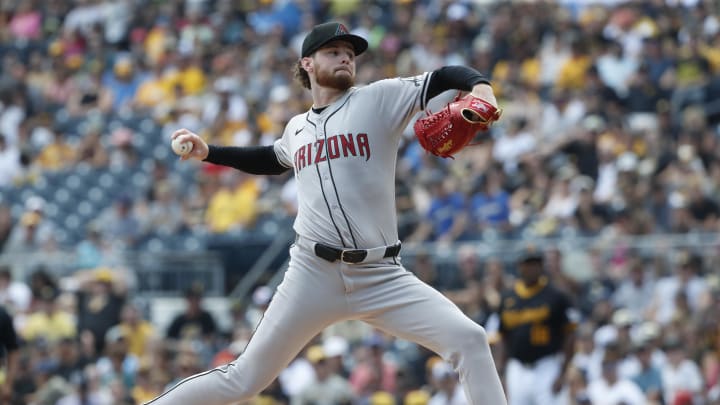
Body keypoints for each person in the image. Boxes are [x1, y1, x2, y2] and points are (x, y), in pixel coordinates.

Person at [145, 22, 505, 405]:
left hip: (380, 274)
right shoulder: (297, 128)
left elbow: (445, 77)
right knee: (243, 379)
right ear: (308, 64)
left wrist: (481, 87)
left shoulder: (378, 99)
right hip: (312, 273)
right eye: (334, 51)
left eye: (350, 53)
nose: (346, 57)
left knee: (469, 339)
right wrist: (210, 153)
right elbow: (271, 159)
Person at [490, 245, 578, 405]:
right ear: (519, 266)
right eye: (528, 263)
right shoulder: (508, 297)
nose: (532, 268)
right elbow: (502, 336)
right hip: (517, 368)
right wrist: (501, 372)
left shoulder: (556, 296)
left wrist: (563, 372)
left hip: (547, 366)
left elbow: (570, 334)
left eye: (535, 263)